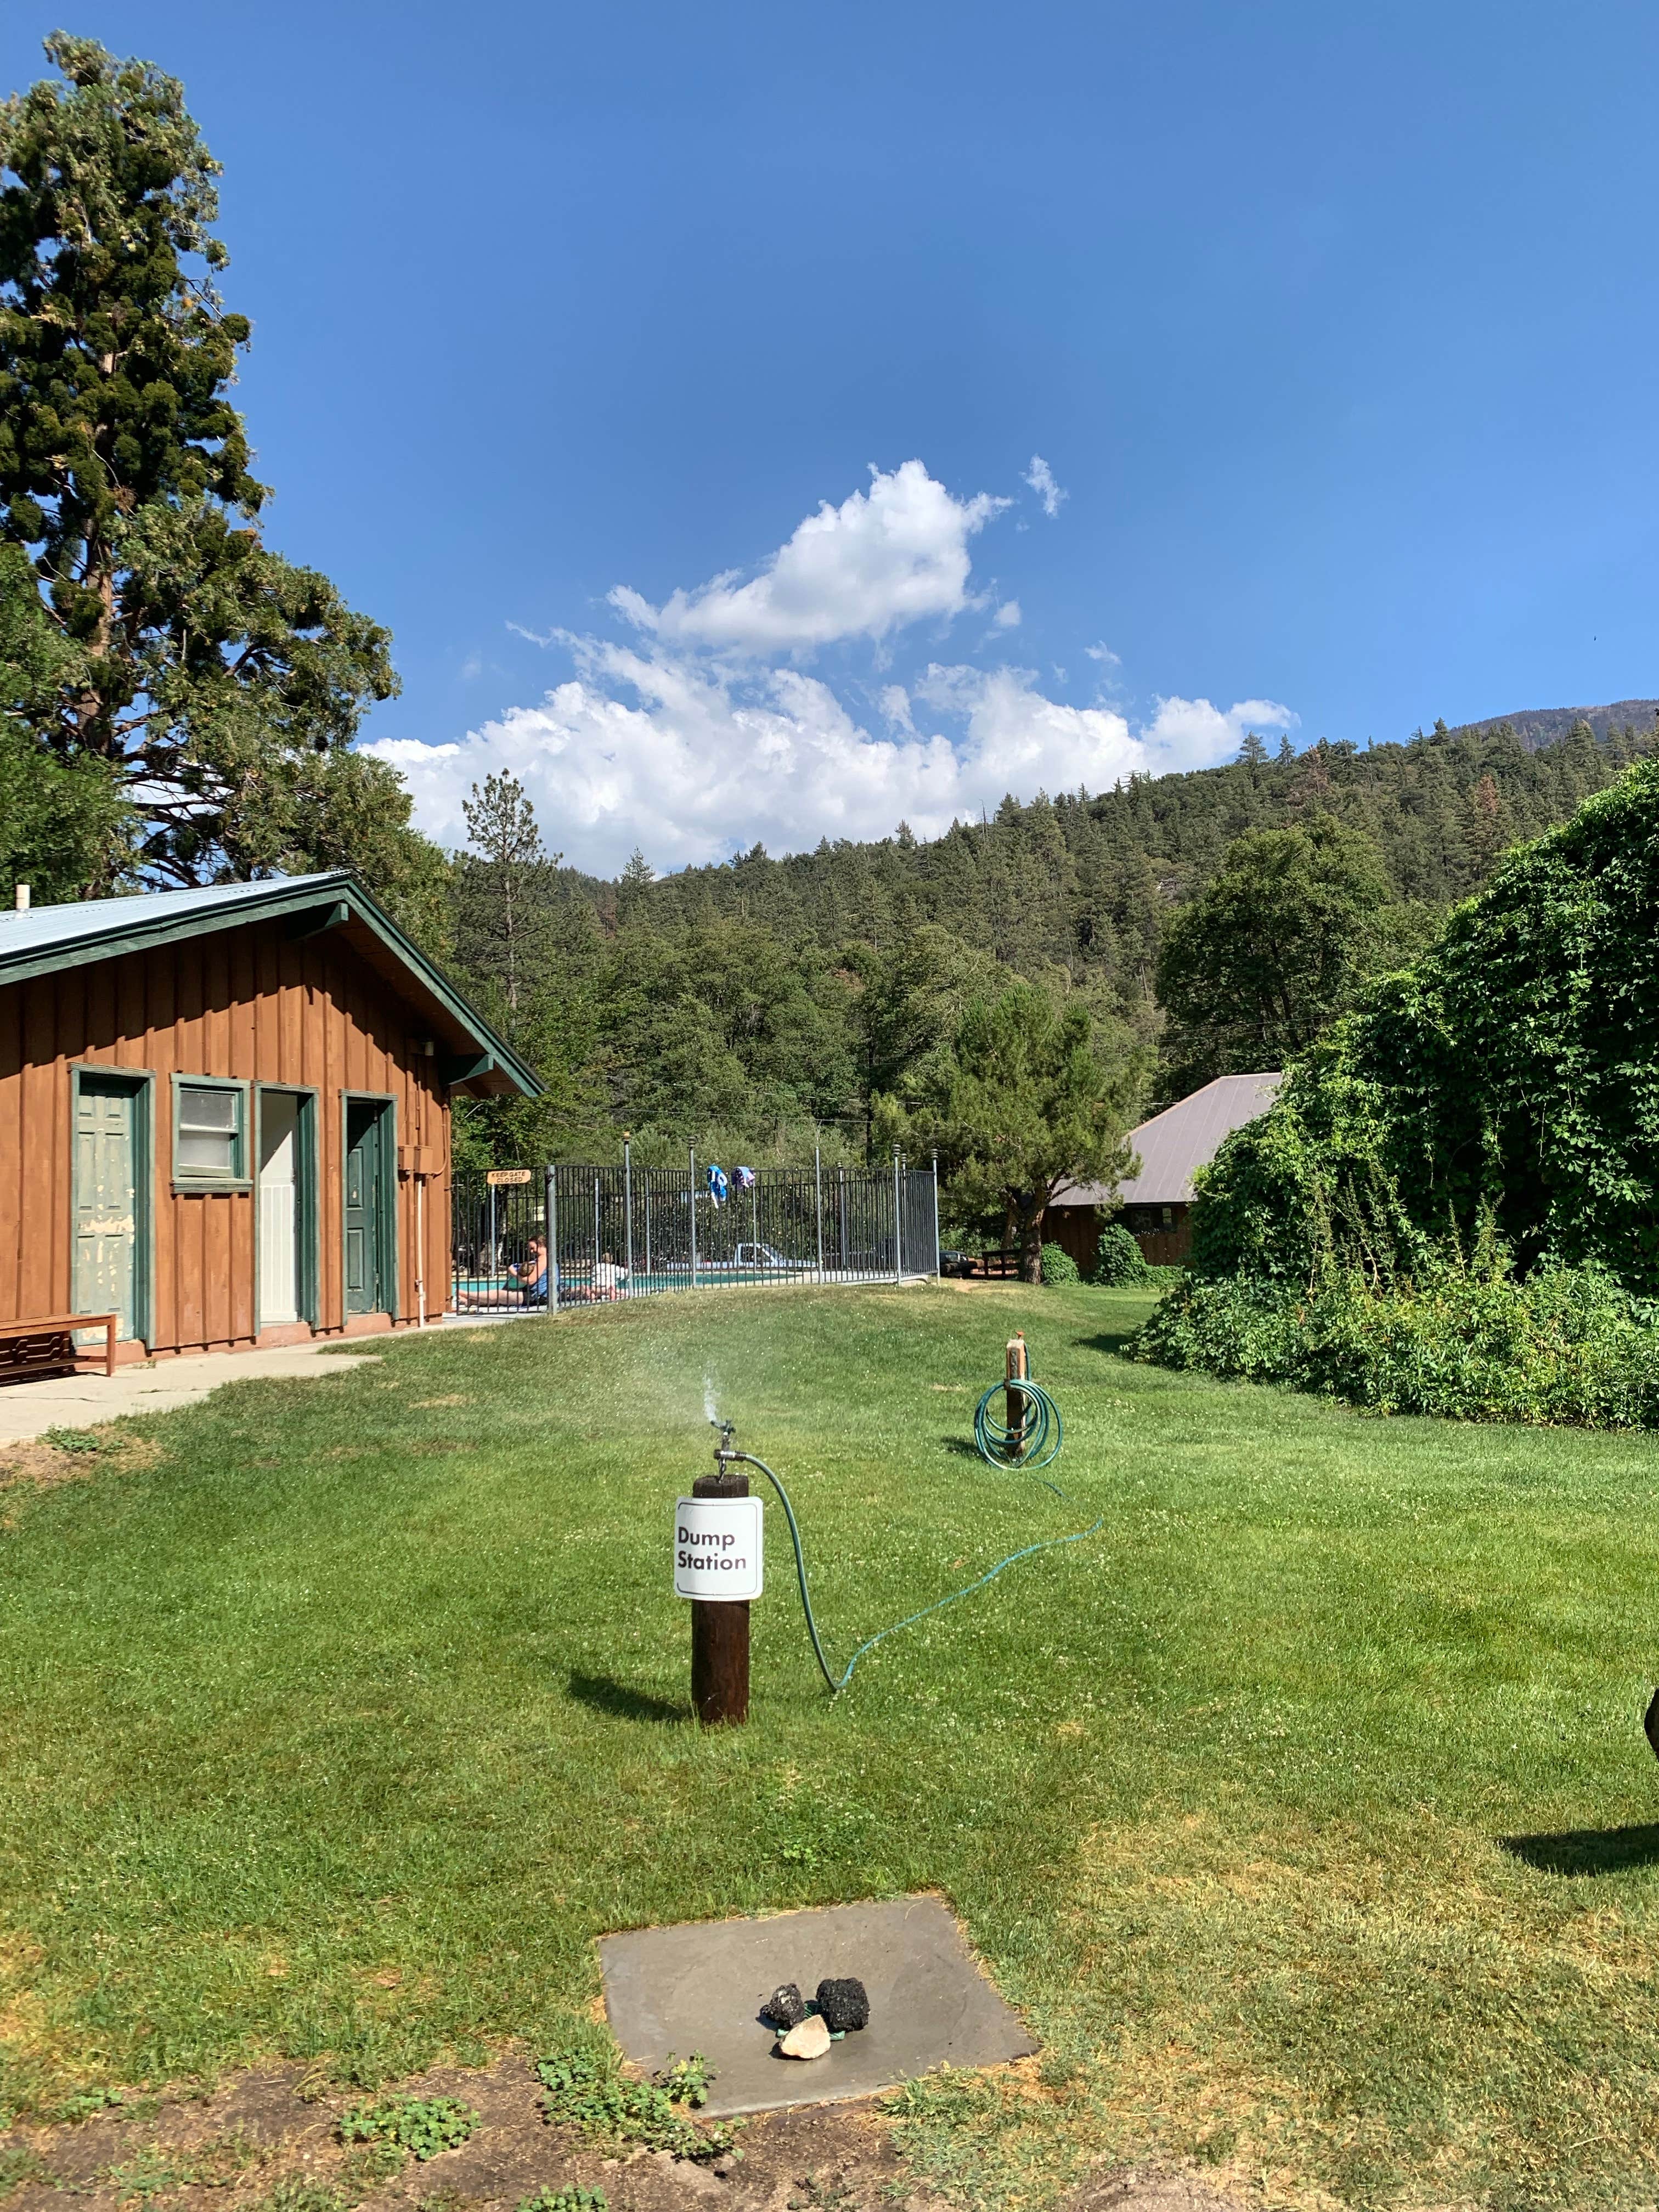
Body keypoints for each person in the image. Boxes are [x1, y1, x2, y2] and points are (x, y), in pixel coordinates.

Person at [458, 1237, 548, 1309]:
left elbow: (531, 1280)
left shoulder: (543, 1260)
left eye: (533, 1248)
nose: (531, 1251)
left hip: (535, 1296)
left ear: (541, 1245)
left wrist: (514, 1273)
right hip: (533, 1294)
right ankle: (471, 1301)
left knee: (498, 1294)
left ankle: (467, 1294)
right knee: (500, 1298)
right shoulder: (543, 1259)